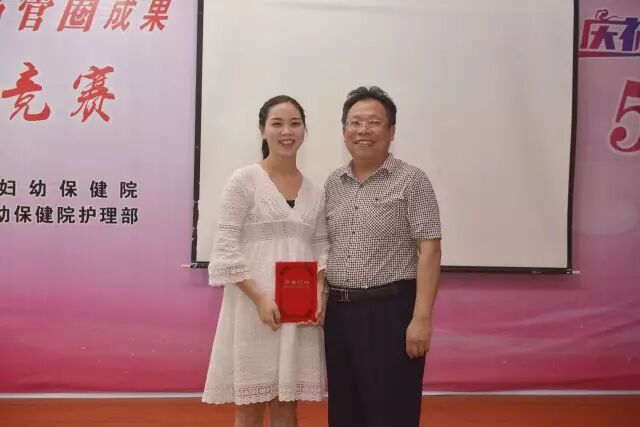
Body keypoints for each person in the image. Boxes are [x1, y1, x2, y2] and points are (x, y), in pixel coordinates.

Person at [202, 95, 328, 427]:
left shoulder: (316, 192)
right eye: (277, 124)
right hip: (252, 308)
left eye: (295, 124)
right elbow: (225, 247)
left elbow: (322, 246)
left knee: (287, 404)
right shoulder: (243, 180)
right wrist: (259, 298)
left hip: (298, 310)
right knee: (250, 405)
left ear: (304, 130)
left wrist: (319, 292)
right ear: (262, 129)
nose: (287, 132)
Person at [323, 86, 442, 427]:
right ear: (344, 131)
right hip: (339, 315)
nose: (364, 130)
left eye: (374, 122)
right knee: (345, 412)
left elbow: (430, 250)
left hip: (391, 313)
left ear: (391, 131)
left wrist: (421, 319)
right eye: (355, 122)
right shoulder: (334, 183)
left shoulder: (412, 180)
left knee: (392, 412)